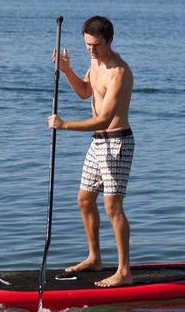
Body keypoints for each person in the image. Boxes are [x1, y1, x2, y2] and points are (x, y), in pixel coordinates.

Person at [47, 16, 134, 287]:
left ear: (109, 40)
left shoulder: (119, 72)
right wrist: (66, 71)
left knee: (112, 206)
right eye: (87, 45)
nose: (91, 50)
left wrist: (64, 125)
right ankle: (94, 258)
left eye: (96, 45)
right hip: (97, 143)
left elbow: (105, 119)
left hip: (117, 142)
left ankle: (124, 271)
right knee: (84, 200)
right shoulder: (95, 62)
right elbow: (86, 92)